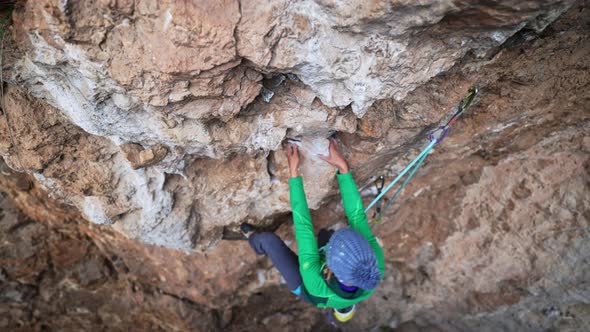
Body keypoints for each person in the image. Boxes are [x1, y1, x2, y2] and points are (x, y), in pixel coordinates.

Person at [241, 138, 385, 322]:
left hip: (303, 284)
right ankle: (325, 238)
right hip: (327, 267)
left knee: (268, 240)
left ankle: (253, 238)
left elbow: (303, 228)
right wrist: (343, 168)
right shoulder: (375, 264)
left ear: (330, 268)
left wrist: (294, 173)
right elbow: (357, 216)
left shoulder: (316, 284)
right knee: (326, 234)